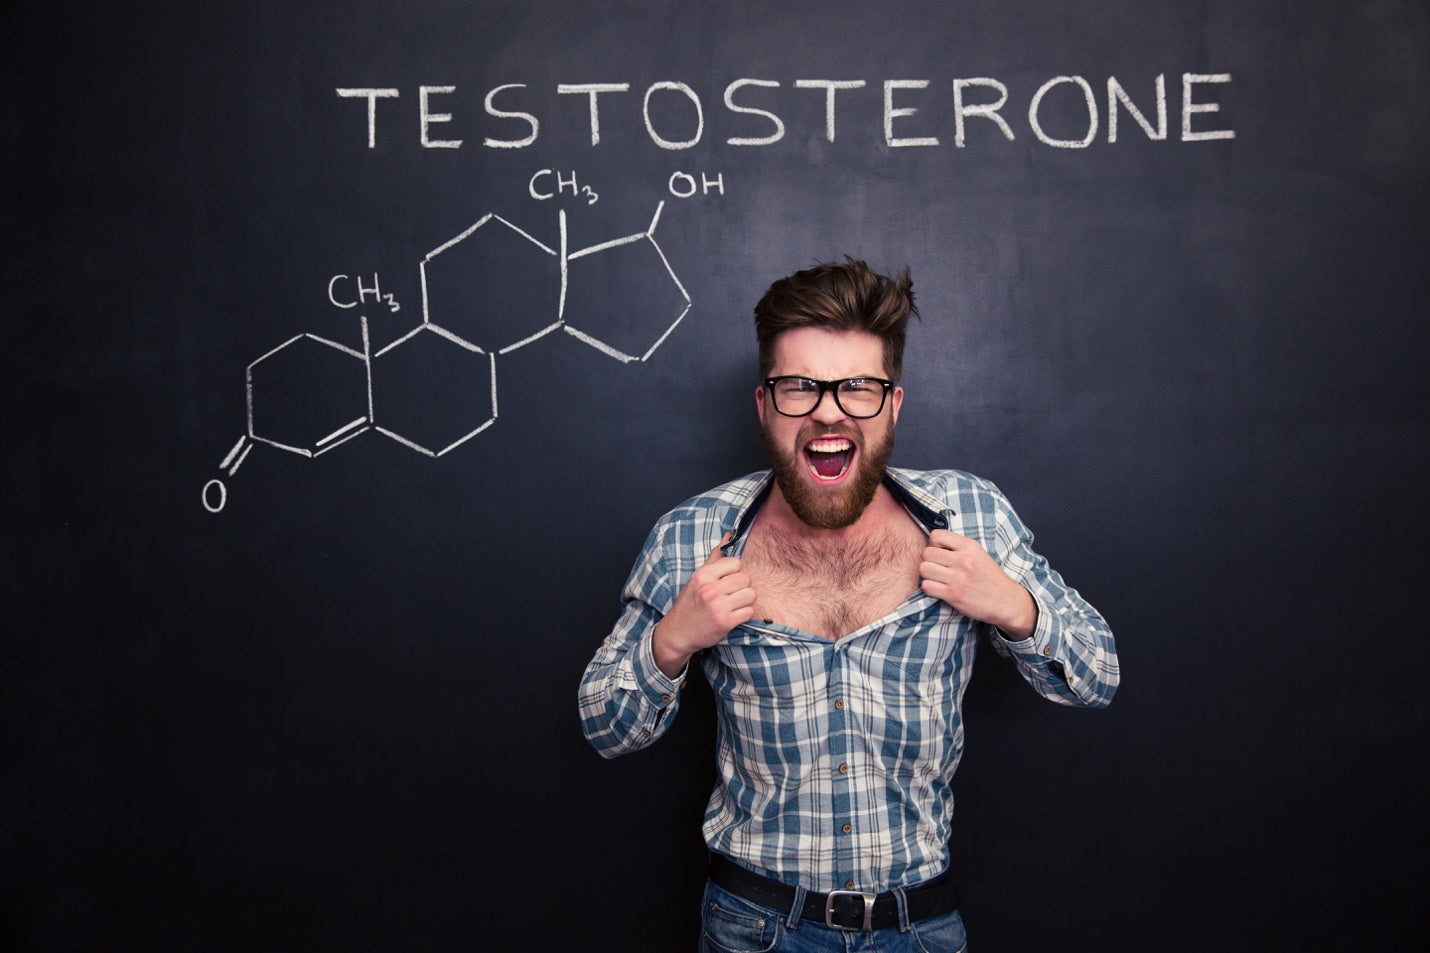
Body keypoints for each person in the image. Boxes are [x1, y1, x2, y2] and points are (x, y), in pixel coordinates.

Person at [578, 257, 1119, 952]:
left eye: (858, 387)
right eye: (800, 386)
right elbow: (602, 724)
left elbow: (1099, 672)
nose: (829, 409)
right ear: (765, 404)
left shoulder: (968, 515)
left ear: (893, 404)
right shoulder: (694, 535)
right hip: (755, 926)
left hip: (917, 929)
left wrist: (1015, 605)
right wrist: (671, 642)